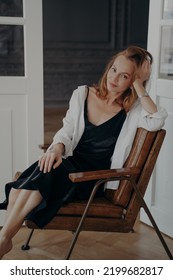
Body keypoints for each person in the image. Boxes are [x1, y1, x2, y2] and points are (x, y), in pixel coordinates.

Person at [0, 45, 168, 259]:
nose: (114, 78)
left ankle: (3, 239)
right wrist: (58, 148)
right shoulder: (83, 94)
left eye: (125, 76)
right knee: (18, 189)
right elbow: (67, 129)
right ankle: (4, 240)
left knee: (35, 182)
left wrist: (140, 85)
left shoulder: (132, 110)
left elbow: (158, 120)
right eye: (114, 69)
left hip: (88, 178)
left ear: (133, 81)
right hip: (69, 163)